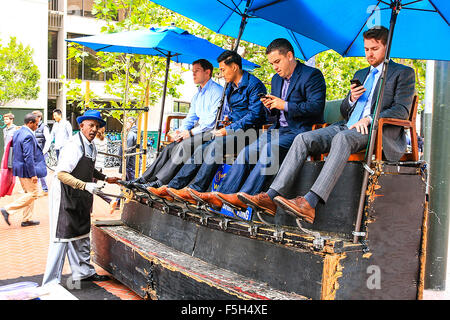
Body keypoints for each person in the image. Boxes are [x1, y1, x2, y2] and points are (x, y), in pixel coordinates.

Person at [238, 26, 416, 223]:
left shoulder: (403, 73)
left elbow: (401, 110)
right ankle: (271, 197)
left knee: (342, 138)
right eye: (366, 49)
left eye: (374, 49)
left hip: (374, 129)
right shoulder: (362, 72)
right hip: (347, 125)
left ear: (387, 46)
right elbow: (345, 111)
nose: (369, 54)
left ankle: (309, 203)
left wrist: (370, 118)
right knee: (303, 138)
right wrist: (351, 99)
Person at [188, 38, 327, 210]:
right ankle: (221, 198)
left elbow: (316, 107)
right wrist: (270, 107)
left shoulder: (311, 75)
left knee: (269, 150)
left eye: (277, 61)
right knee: (247, 152)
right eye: (272, 63)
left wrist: (284, 105)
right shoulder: (276, 79)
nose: (275, 67)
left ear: (290, 56)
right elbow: (275, 112)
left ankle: (244, 198)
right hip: (277, 129)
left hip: (300, 131)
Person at [148, 50, 267, 203]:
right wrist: (227, 120)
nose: (222, 74)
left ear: (235, 67)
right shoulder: (230, 87)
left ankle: (195, 190)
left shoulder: (254, 85)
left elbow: (255, 115)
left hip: (250, 134)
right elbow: (234, 112)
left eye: (223, 69)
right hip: (232, 131)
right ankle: (173, 186)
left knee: (214, 146)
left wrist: (229, 128)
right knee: (201, 148)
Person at [42, 110, 120, 286]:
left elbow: (88, 169)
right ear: (81, 125)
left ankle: (83, 272)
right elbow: (61, 174)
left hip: (81, 196)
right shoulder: (73, 145)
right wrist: (85, 185)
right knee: (62, 237)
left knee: (82, 233)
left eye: (97, 126)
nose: (94, 129)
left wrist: (106, 178)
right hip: (66, 195)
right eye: (90, 125)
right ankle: (50, 283)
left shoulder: (90, 146)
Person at [121, 59, 223, 192]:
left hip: (213, 131)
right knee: (170, 147)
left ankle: (159, 183)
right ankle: (144, 179)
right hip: (199, 131)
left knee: (184, 146)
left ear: (207, 72)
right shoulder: (198, 94)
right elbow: (191, 118)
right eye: (192, 71)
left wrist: (190, 133)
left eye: (197, 71)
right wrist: (180, 132)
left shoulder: (217, 91)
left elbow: (211, 122)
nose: (193, 74)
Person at [1, 113, 47, 227]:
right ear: (30, 123)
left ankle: (27, 219)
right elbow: (28, 156)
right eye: (36, 124)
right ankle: (7, 209)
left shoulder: (18, 132)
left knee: (29, 193)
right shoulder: (28, 135)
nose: (37, 126)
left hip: (19, 167)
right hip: (27, 170)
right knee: (34, 194)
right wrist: (33, 174)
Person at [32, 110, 51, 195]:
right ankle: (36, 189)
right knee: (35, 171)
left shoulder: (44, 127)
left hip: (41, 153)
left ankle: (45, 189)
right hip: (34, 152)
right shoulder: (33, 126)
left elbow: (48, 140)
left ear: (39, 117)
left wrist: (44, 151)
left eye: (34, 117)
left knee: (41, 171)